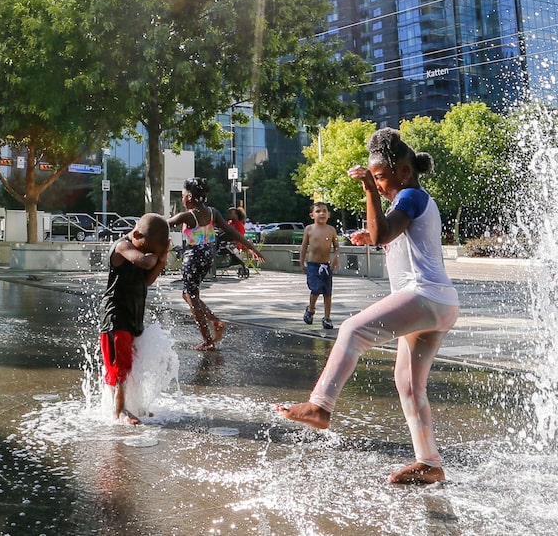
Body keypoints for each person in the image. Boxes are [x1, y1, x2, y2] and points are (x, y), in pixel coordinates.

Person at [277, 128, 461, 486]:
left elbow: (383, 233)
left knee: (352, 329)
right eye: (373, 180)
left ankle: (320, 406)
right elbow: (389, 236)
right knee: (408, 384)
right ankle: (429, 462)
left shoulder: (409, 195)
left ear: (404, 172)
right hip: (438, 303)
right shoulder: (413, 201)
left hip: (423, 296)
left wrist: (367, 199)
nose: (377, 185)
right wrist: (369, 235)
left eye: (380, 177)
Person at [167, 178, 264, 350]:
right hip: (208, 257)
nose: (182, 199)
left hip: (193, 257)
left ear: (188, 197)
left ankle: (208, 340)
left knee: (191, 297)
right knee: (189, 295)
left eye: (182, 195)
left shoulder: (188, 216)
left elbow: (163, 224)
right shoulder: (212, 212)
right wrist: (253, 248)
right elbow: (233, 232)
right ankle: (214, 322)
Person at [99, 213, 171, 424]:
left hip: (133, 315)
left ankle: (132, 405)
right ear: (137, 234)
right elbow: (145, 262)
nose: (150, 254)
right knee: (120, 364)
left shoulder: (143, 250)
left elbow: (147, 280)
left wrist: (161, 258)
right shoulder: (122, 247)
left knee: (131, 363)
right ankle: (119, 410)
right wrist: (156, 256)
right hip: (115, 316)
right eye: (148, 249)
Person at [300, 201, 340, 329]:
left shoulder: (331, 230)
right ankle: (311, 309)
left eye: (324, 211)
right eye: (318, 211)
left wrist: (335, 259)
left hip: (326, 265)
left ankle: (327, 317)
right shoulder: (309, 229)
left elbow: (337, 247)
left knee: (327, 292)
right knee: (316, 289)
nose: (321, 213)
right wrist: (302, 262)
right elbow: (304, 246)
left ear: (329, 214)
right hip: (313, 265)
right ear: (312, 215)